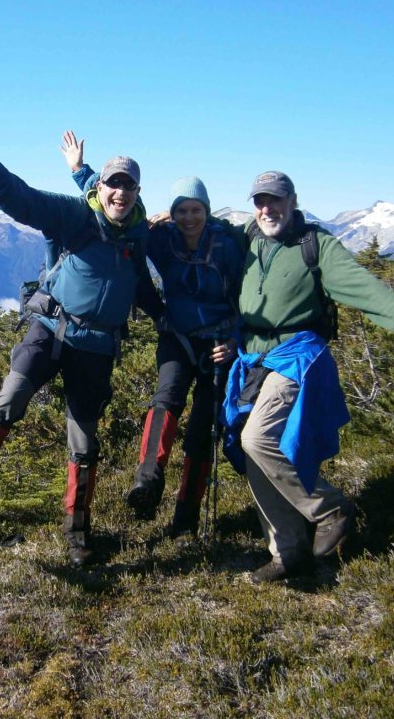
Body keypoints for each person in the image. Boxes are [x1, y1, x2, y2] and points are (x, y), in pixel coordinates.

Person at [0, 113, 152, 567]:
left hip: (97, 348)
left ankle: (78, 535)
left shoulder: (143, 236)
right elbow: (21, 200)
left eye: (129, 186)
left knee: (83, 440)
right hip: (49, 331)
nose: (120, 192)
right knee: (9, 400)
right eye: (112, 184)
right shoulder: (73, 214)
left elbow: (146, 287)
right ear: (100, 190)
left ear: (138, 193)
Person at [226, 170, 394, 583]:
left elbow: (367, 290)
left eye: (275, 200)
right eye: (260, 201)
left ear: (293, 200)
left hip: (296, 355)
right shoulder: (247, 237)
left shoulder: (317, 247)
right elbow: (203, 228)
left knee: (256, 438)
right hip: (253, 358)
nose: (267, 209)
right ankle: (288, 552)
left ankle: (329, 507)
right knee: (254, 453)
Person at [60, 131, 244, 540]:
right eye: (181, 210)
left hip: (220, 344)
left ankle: (186, 517)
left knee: (202, 430)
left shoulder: (229, 245)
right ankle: (148, 477)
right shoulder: (161, 237)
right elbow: (114, 202)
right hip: (177, 336)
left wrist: (238, 337)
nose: (188, 218)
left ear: (206, 211)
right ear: (172, 212)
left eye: (195, 210)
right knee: (167, 398)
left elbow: (252, 294)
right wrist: (79, 170)